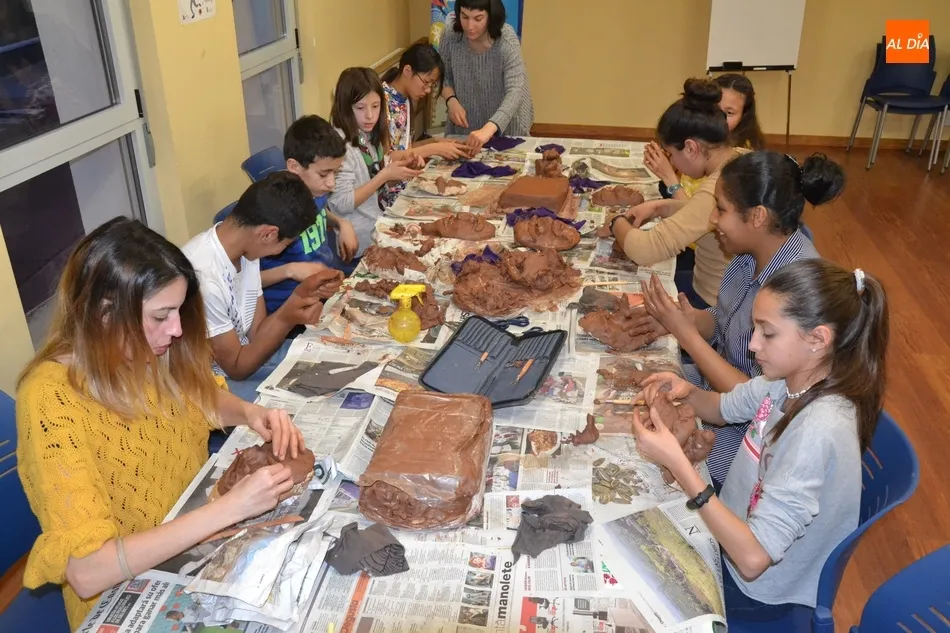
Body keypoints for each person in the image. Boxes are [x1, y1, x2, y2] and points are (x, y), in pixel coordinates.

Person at [16, 217, 307, 630]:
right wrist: (231, 508)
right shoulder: (51, 399)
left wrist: (249, 413)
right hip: (124, 588)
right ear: (104, 314)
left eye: (177, 311)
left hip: (193, 541)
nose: (176, 330)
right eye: (161, 315)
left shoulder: (148, 351)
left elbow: (197, 400)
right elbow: (87, 572)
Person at [633, 258, 888, 620]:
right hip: (734, 533)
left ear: (817, 339)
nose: (753, 345)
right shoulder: (788, 379)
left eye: (767, 333)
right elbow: (723, 408)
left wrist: (677, 461)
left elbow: (753, 560)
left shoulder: (820, 428)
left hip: (763, 593)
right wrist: (685, 391)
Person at [637, 151, 845, 487]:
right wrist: (690, 320)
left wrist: (685, 334)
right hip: (712, 394)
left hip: (751, 439)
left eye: (721, 209)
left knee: (649, 461)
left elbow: (756, 398)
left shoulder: (793, 295)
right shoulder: (747, 256)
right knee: (634, 387)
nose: (714, 220)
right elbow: (723, 321)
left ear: (758, 216)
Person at [184, 172, 339, 401]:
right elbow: (236, 368)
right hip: (208, 385)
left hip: (244, 358)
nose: (281, 252)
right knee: (305, 404)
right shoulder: (203, 277)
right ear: (268, 233)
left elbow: (256, 333)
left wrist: (301, 295)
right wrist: (288, 316)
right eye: (285, 245)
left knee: (332, 367)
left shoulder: (246, 249)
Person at [612, 78, 748, 309]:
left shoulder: (719, 188)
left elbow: (644, 250)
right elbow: (704, 217)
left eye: (671, 155)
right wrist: (659, 207)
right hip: (725, 290)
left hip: (713, 304)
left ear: (691, 148)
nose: (671, 161)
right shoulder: (742, 157)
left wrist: (617, 222)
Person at [329, 67, 425, 265]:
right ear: (345, 107)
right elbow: (341, 204)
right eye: (360, 108)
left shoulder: (368, 136)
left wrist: (402, 171)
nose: (370, 116)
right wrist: (384, 175)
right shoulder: (339, 146)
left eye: (375, 106)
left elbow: (376, 186)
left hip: (378, 230)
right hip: (360, 246)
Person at [260, 114, 351, 315]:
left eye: (335, 173)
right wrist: (290, 270)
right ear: (294, 167)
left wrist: (340, 222)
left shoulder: (315, 190)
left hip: (323, 293)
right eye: (323, 174)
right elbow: (247, 282)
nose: (331, 184)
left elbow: (319, 214)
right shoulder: (271, 214)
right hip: (288, 310)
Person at [646, 73, 766, 202]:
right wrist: (675, 163)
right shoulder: (707, 152)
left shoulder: (733, 171)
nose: (720, 117)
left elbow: (695, 216)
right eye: (715, 109)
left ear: (744, 116)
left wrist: (669, 177)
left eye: (729, 112)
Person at [439, 0, 534, 148]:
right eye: (464, 16)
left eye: (478, 18)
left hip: (507, 123)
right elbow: (443, 76)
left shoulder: (506, 39)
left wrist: (490, 128)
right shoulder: (451, 35)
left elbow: (515, 91)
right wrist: (451, 101)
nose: (470, 26)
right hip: (466, 123)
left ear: (491, 16)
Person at [381, 42, 473, 163]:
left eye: (432, 84)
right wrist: (433, 148)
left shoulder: (406, 99)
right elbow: (386, 159)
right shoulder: (380, 102)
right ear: (407, 71)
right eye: (426, 82)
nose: (428, 90)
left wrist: (435, 142)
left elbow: (404, 147)